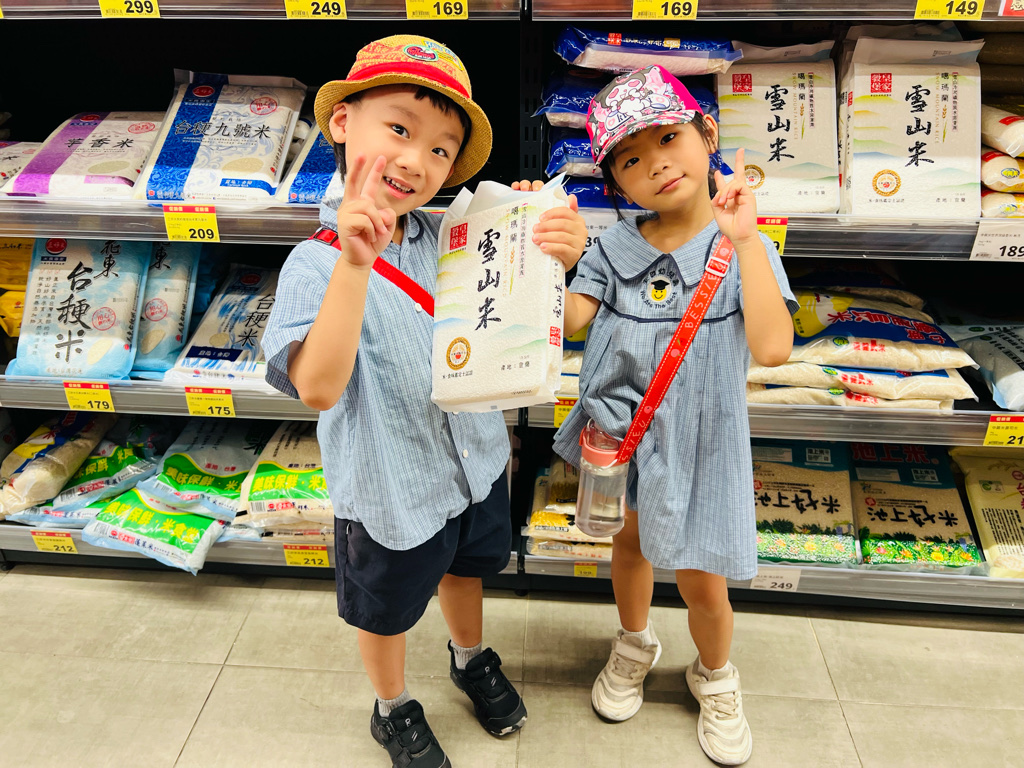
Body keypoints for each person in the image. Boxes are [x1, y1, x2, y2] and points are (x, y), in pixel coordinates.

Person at [261, 36, 586, 768]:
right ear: (342, 121)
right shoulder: (313, 262)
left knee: (467, 570)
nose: (417, 160)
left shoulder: (456, 236)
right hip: (390, 491)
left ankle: (469, 657)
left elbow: (542, 315)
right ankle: (392, 705)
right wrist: (355, 265)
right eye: (400, 129)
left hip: (476, 466)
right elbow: (317, 386)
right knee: (386, 611)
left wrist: (547, 240)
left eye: (441, 149)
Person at [551, 64, 797, 767]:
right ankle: (634, 643)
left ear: (706, 134)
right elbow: (569, 324)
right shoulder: (612, 248)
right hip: (622, 437)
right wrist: (550, 262)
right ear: (614, 182)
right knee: (627, 547)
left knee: (701, 577)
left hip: (704, 442)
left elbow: (774, 348)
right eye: (630, 159)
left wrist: (745, 239)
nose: (655, 164)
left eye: (668, 138)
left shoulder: (744, 245)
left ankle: (715, 675)